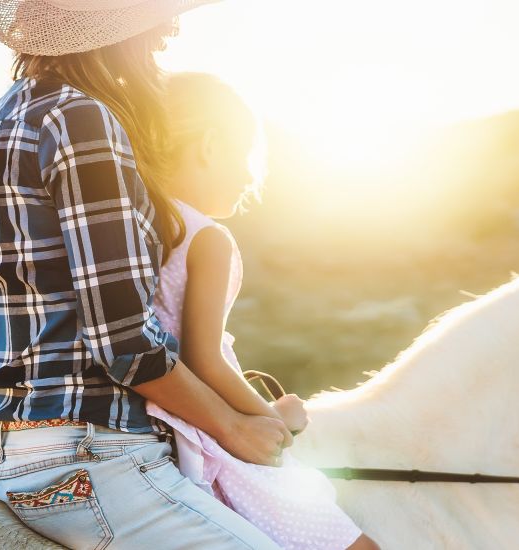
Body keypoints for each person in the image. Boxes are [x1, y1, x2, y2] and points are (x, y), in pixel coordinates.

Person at [0, 1, 293, 548]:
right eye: (158, 36)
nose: (161, 51)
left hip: (4, 452)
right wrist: (236, 428)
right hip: (93, 457)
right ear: (120, 37)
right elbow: (123, 340)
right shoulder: (83, 118)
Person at [143, 72, 377, 550]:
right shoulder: (206, 237)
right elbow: (203, 360)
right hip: (204, 428)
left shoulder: (139, 223)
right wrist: (272, 419)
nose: (251, 175)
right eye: (246, 155)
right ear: (209, 145)